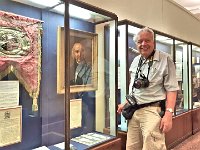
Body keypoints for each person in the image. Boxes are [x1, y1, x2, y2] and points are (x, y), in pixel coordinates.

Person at [117, 27, 179, 150]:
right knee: (132, 147)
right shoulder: (136, 61)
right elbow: (136, 88)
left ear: (153, 42)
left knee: (152, 147)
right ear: (136, 44)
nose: (143, 44)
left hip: (152, 111)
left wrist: (168, 114)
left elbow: (172, 89)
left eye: (147, 40)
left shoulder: (165, 59)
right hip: (134, 112)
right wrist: (126, 102)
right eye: (140, 41)